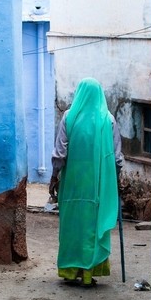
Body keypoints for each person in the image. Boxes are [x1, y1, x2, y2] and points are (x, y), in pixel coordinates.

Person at [48, 77, 123, 287]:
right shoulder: (107, 120)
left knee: (72, 225)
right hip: (98, 185)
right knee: (93, 224)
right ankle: (89, 273)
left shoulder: (69, 118)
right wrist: (114, 180)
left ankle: (71, 272)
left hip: (72, 184)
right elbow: (116, 157)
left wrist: (54, 178)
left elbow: (60, 153)